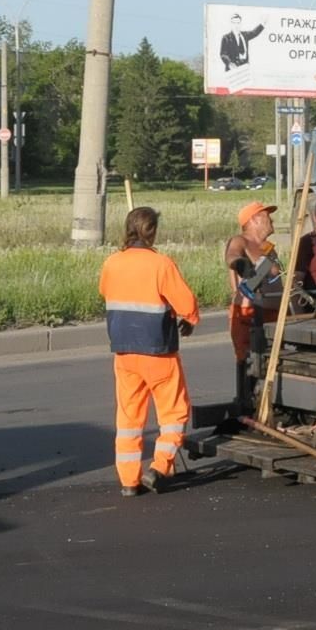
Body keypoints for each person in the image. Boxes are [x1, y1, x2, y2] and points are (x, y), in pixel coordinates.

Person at [99, 208, 201, 497]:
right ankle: (159, 467)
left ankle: (129, 481)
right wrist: (191, 320)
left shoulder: (112, 263)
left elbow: (105, 291)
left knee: (129, 419)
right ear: (152, 231)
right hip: (158, 353)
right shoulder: (161, 264)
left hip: (124, 352)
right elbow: (186, 303)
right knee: (174, 413)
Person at [224, 201, 282, 410]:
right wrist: (239, 263)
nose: (272, 219)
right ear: (254, 220)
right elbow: (232, 254)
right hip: (248, 313)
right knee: (248, 359)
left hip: (274, 313)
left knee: (274, 361)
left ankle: (270, 404)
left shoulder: (268, 249)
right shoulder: (241, 242)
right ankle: (245, 402)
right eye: (267, 215)